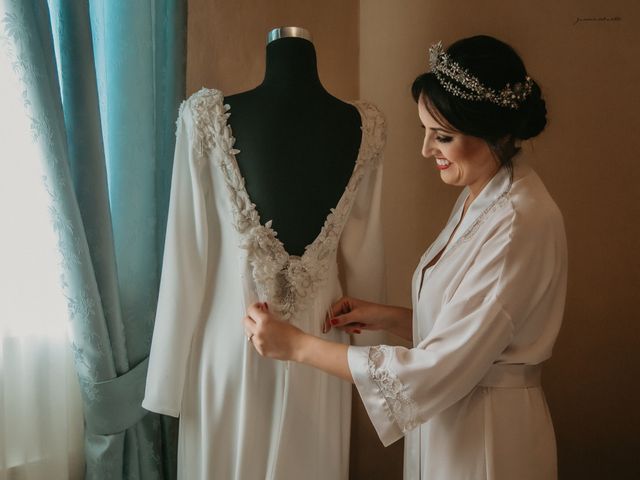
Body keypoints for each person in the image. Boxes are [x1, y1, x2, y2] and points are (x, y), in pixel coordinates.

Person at [243, 35, 567, 479]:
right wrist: (389, 318)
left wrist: (295, 345)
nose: (426, 151)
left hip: (487, 438)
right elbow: (474, 328)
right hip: (454, 417)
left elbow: (437, 366)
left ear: (495, 132)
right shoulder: (486, 195)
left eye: (444, 137)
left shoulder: (516, 223)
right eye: (426, 133)